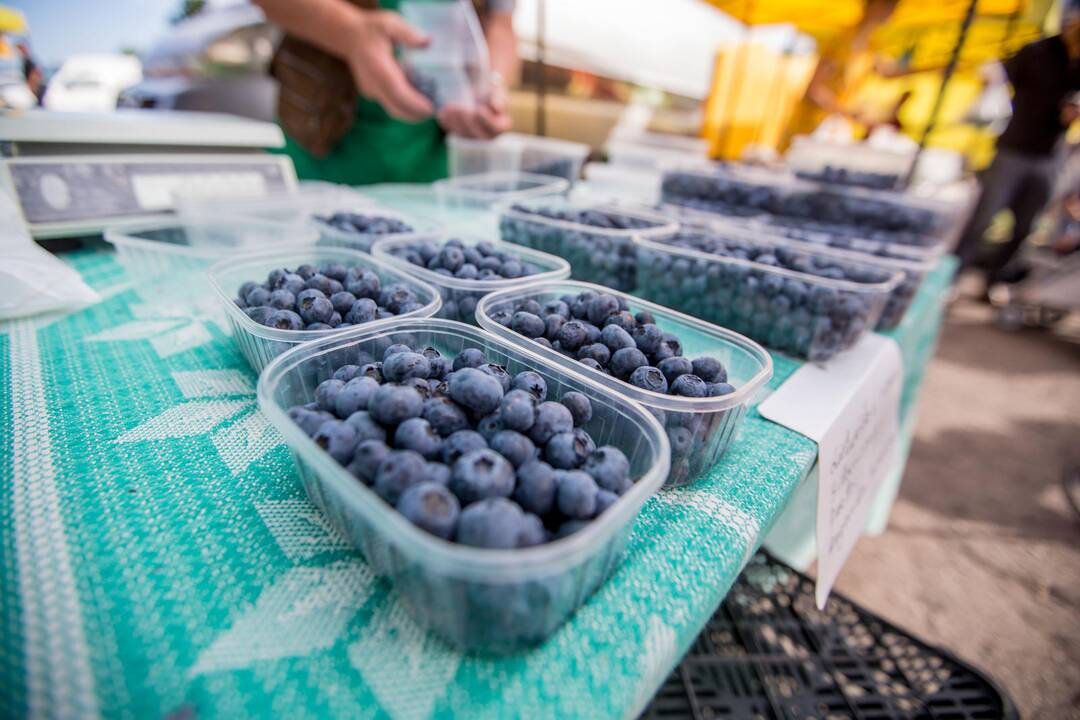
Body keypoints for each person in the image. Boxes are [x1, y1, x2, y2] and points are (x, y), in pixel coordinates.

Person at [254, 0, 518, 185]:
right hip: (321, 146)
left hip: (431, 160)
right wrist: (350, 32)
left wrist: (490, 86)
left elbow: (502, 26)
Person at [955, 9, 1080, 296]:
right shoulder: (1039, 51)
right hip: (1014, 147)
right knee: (983, 217)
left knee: (1027, 225)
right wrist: (991, 78)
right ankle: (955, 275)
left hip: (1051, 155)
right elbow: (1000, 71)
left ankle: (995, 280)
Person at [779, 0, 898, 150]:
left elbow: (889, 73)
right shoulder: (842, 42)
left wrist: (932, 68)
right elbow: (814, 89)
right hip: (812, 127)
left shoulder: (871, 47)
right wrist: (847, 112)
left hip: (836, 131)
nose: (891, 11)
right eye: (887, 5)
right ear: (872, 5)